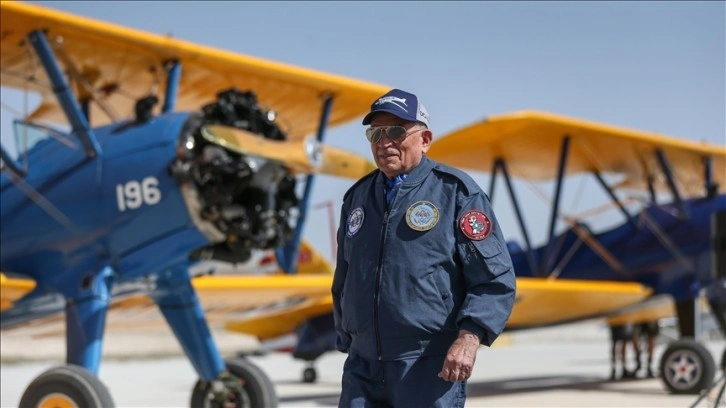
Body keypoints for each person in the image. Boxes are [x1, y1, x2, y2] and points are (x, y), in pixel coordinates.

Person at [331, 88, 516, 407]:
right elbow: (344, 277)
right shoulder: (357, 198)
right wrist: (347, 333)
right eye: (375, 133)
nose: (383, 141)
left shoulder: (456, 193)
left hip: (427, 366)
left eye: (396, 131)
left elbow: (494, 281)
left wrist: (469, 339)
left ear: (425, 139)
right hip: (363, 367)